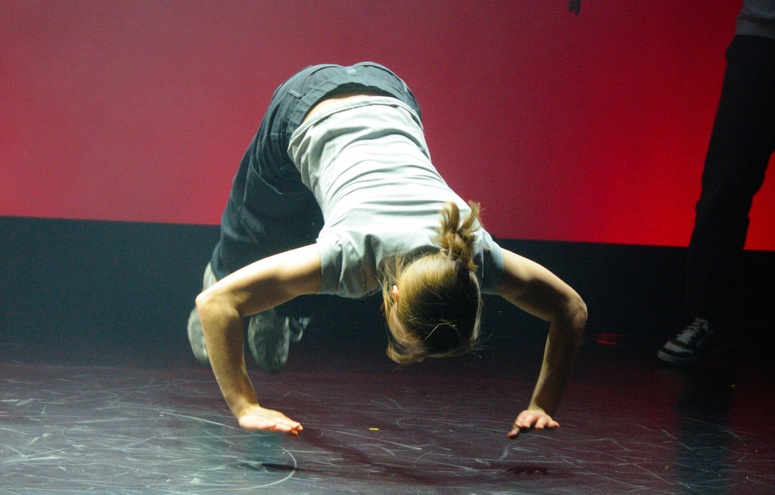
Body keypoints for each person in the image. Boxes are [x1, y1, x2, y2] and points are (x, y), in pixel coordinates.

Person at [188, 62, 587, 438]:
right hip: (304, 104)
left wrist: (543, 403)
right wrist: (245, 406)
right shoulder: (353, 255)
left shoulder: (473, 255)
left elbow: (570, 308)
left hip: (391, 91)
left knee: (317, 275)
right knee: (256, 233)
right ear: (395, 295)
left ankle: (279, 310)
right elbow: (215, 304)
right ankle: (227, 273)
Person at [658, 1, 775, 366]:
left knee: (725, 187)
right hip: (761, 40)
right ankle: (711, 321)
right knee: (724, 187)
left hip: (759, 40)